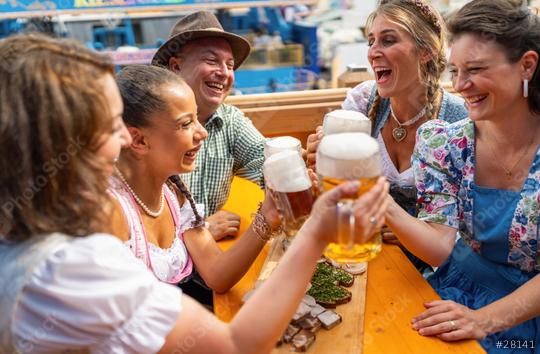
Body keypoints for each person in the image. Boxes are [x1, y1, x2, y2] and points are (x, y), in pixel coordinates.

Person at [0, 33, 390, 353]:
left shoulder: (166, 193)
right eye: (108, 125)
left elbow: (218, 277)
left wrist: (267, 217)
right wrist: (317, 231)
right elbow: (235, 346)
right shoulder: (76, 256)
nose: (121, 138)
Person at [384, 1, 540, 352]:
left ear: (526, 66)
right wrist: (383, 206)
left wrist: (483, 319)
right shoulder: (444, 143)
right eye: (454, 71)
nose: (461, 85)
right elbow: (440, 247)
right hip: (457, 292)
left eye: (475, 69)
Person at [306, 0, 468, 273]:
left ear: (426, 51)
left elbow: (471, 224)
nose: (373, 53)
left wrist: (412, 227)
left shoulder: (457, 121)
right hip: (366, 255)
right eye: (371, 42)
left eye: (388, 40)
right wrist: (316, 159)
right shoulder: (363, 103)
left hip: (433, 271)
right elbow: (335, 196)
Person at [109, 65, 279, 298]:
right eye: (186, 124)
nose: (202, 133)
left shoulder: (173, 192)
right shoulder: (111, 212)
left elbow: (218, 274)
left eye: (197, 119)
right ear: (138, 140)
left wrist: (268, 216)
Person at [152, 11, 265, 241]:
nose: (224, 73)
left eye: (230, 65)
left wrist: (304, 159)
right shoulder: (149, 124)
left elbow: (266, 162)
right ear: (175, 67)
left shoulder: (230, 120)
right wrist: (198, 231)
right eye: (212, 61)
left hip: (208, 259)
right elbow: (136, 222)